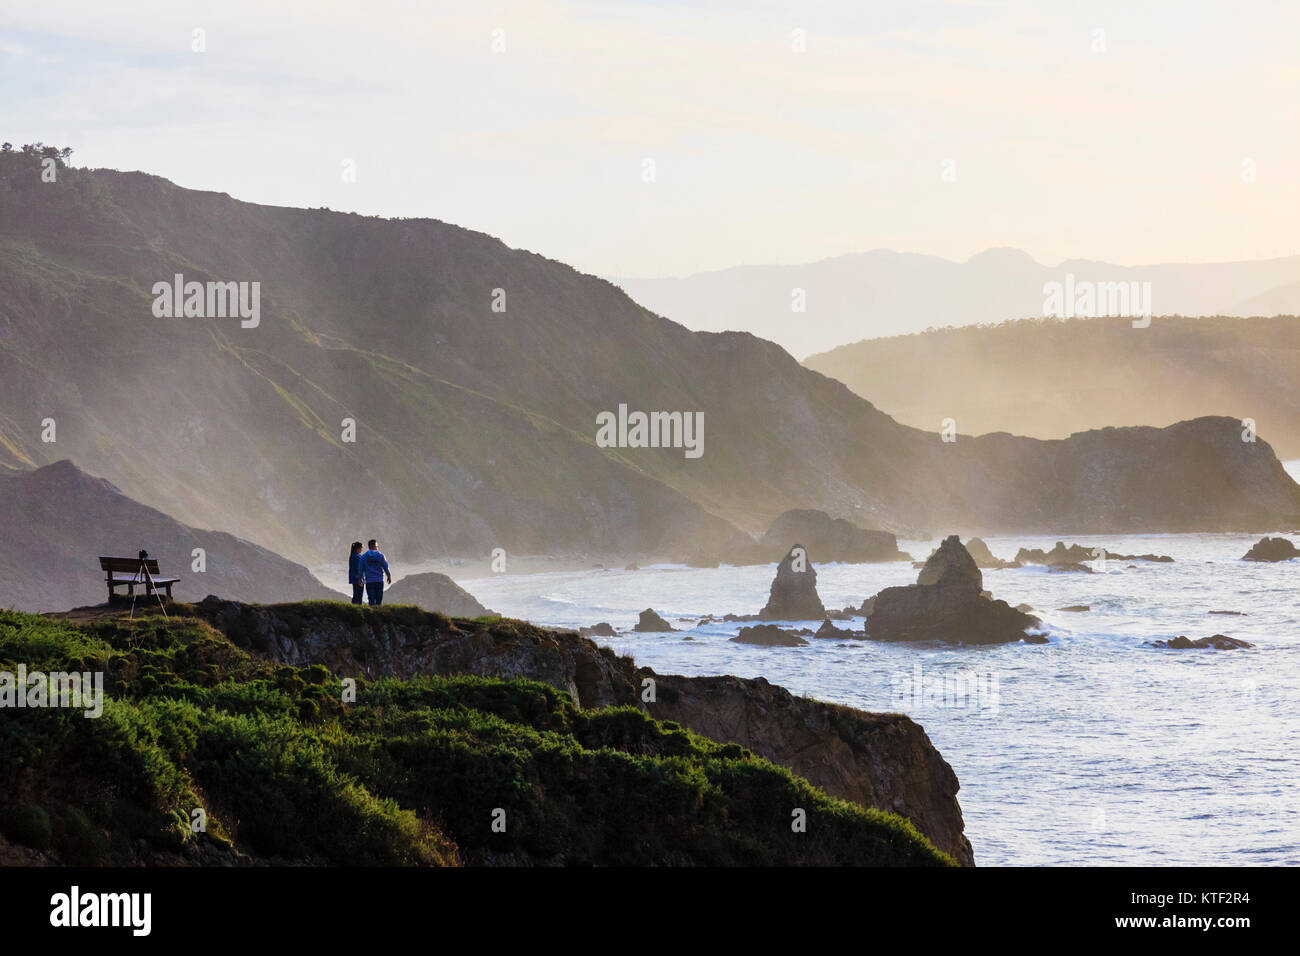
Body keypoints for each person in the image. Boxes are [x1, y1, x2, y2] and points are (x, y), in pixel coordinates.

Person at [358, 538, 391, 606]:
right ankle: (378, 613)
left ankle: (372, 614)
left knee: (371, 599)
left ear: (369, 546)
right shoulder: (381, 555)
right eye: (377, 546)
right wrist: (389, 576)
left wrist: (360, 579)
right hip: (379, 580)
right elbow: (386, 567)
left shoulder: (364, 557)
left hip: (369, 581)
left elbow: (361, 569)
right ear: (375, 546)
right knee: (379, 600)